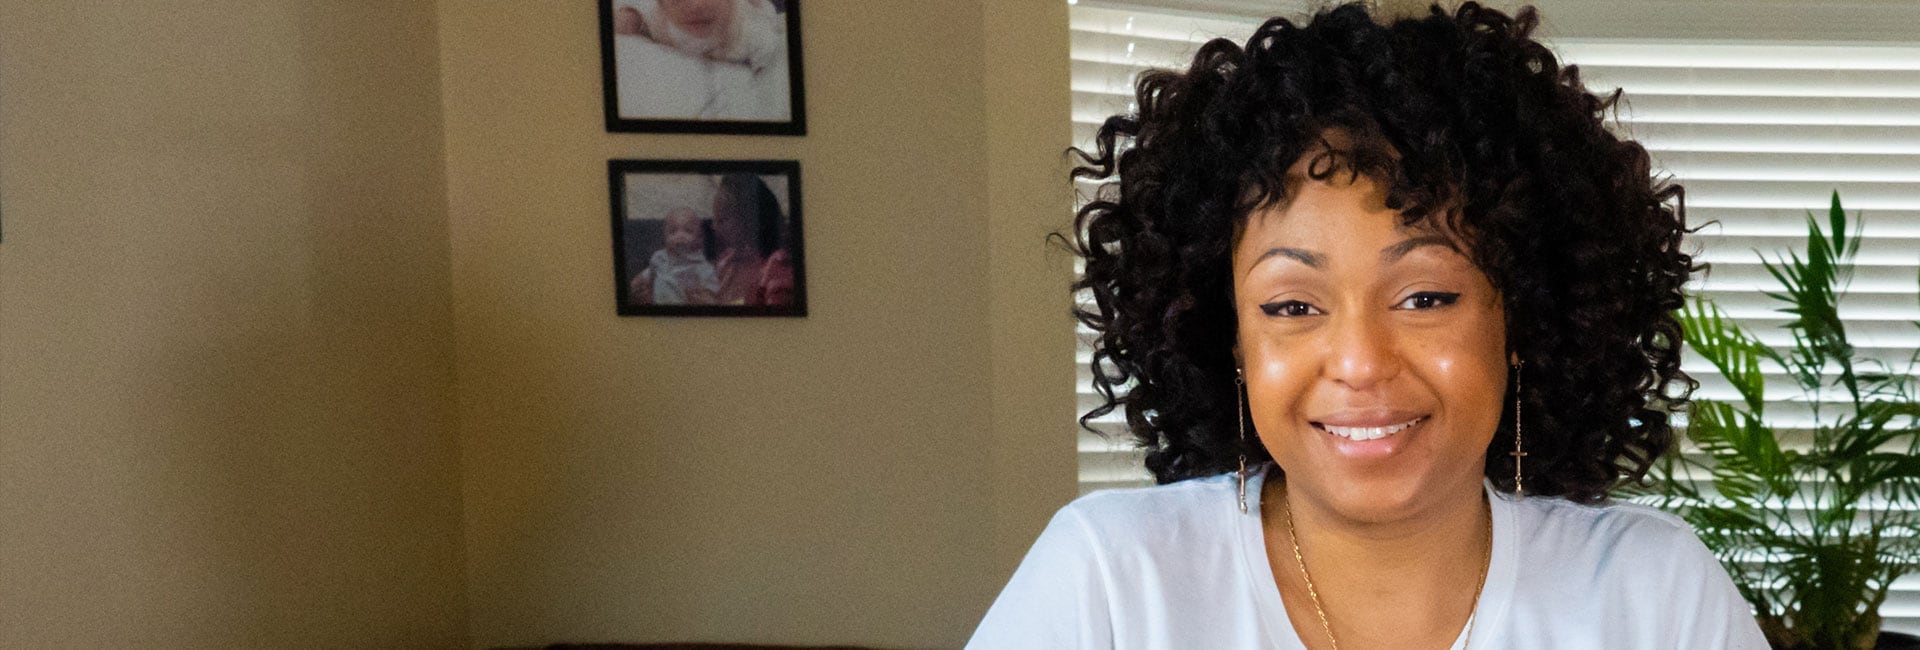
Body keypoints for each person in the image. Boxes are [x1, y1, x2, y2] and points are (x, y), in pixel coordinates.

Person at [968, 3, 1768, 649]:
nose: (1359, 361)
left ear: (1520, 313)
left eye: (1425, 297)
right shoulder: (1109, 584)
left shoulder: (1655, 600)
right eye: (1291, 307)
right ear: (1231, 337)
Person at [610, 0, 791, 122]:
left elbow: (771, 68)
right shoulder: (660, 21)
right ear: (662, 6)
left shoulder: (749, 34)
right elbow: (642, 10)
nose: (696, 5)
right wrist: (631, 16)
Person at [708, 173, 795, 307]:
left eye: (722, 220)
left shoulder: (777, 267)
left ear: (750, 220)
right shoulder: (727, 261)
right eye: (714, 219)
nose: (713, 226)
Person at [630, 207, 720, 305]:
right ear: (665, 237)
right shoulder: (659, 257)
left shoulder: (702, 267)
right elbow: (643, 277)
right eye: (672, 231)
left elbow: (712, 295)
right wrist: (635, 285)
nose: (680, 236)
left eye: (688, 231)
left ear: (699, 239)